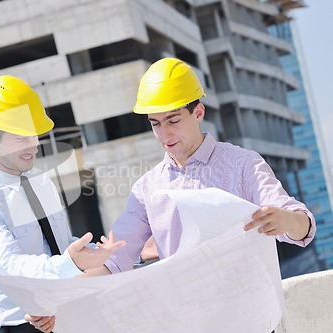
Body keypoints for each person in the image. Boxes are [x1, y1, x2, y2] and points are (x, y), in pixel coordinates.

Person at [27, 58, 315, 332]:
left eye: (173, 120)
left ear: (198, 112)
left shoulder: (243, 164)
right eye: (155, 123)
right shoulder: (147, 189)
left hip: (250, 323)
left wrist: (286, 221)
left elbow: (302, 225)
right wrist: (56, 303)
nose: (164, 134)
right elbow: (113, 262)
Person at [0, 75, 124, 333]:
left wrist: (94, 252)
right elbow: (11, 269)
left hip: (65, 313)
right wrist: (72, 263)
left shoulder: (40, 182)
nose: (33, 146)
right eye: (21, 139)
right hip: (20, 326)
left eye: (34, 136)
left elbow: (59, 246)